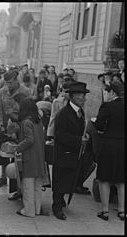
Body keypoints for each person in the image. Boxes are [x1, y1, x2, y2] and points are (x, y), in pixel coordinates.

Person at [52, 81, 91, 220]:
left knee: (68, 179)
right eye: (81, 95)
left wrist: (83, 138)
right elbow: (60, 135)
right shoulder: (64, 114)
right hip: (64, 153)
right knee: (60, 180)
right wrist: (78, 140)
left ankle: (61, 200)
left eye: (84, 95)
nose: (84, 98)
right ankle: (56, 206)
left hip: (73, 153)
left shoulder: (80, 112)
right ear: (73, 96)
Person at [0, 70, 31, 201]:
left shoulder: (25, 91)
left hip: (20, 127)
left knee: (18, 156)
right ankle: (3, 176)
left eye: (10, 82)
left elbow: (28, 111)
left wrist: (20, 128)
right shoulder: (2, 92)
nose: (8, 85)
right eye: (6, 83)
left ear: (17, 80)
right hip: (6, 126)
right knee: (4, 152)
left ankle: (18, 188)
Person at [94, 80, 125, 221]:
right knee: (121, 180)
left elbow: (99, 125)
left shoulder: (107, 106)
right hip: (123, 145)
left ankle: (105, 211)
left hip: (109, 144)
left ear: (112, 92)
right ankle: (122, 211)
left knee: (104, 178)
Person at [15, 98, 46, 217]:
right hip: (39, 158)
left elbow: (29, 140)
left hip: (29, 158)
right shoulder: (38, 121)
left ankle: (28, 211)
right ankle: (37, 210)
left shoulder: (26, 122)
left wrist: (17, 148)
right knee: (37, 187)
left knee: (28, 186)